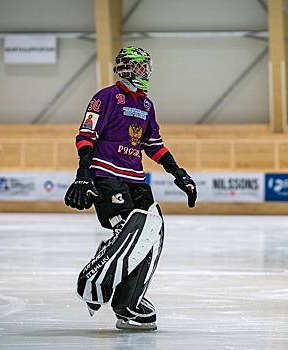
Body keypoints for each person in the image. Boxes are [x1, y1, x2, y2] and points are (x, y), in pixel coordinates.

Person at [64, 46, 197, 331]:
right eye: (139, 67)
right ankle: (94, 274)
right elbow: (86, 136)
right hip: (106, 173)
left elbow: (154, 146)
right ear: (125, 68)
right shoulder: (106, 97)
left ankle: (128, 304)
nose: (145, 72)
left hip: (136, 178)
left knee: (152, 233)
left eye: (146, 66)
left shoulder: (147, 105)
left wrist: (179, 173)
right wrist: (83, 175)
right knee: (126, 228)